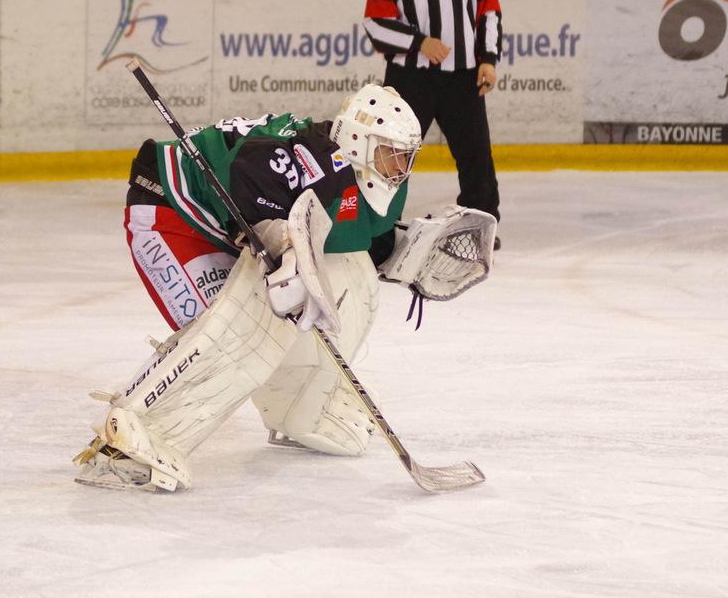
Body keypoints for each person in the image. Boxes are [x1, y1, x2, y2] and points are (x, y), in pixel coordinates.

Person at [72, 84, 490, 492]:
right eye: (390, 153)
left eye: (405, 156)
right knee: (236, 330)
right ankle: (128, 440)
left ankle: (299, 407)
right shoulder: (316, 160)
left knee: (350, 278)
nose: (399, 167)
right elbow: (248, 172)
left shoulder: (379, 183)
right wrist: (281, 240)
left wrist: (406, 252)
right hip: (172, 208)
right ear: (358, 142)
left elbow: (358, 243)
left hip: (225, 225)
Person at [363, 0, 502, 248]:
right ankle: (378, 233)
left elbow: (488, 11)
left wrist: (488, 59)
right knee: (392, 157)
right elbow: (375, 22)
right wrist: (419, 42)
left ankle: (481, 227)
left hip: (463, 77)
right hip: (410, 79)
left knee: (475, 156)